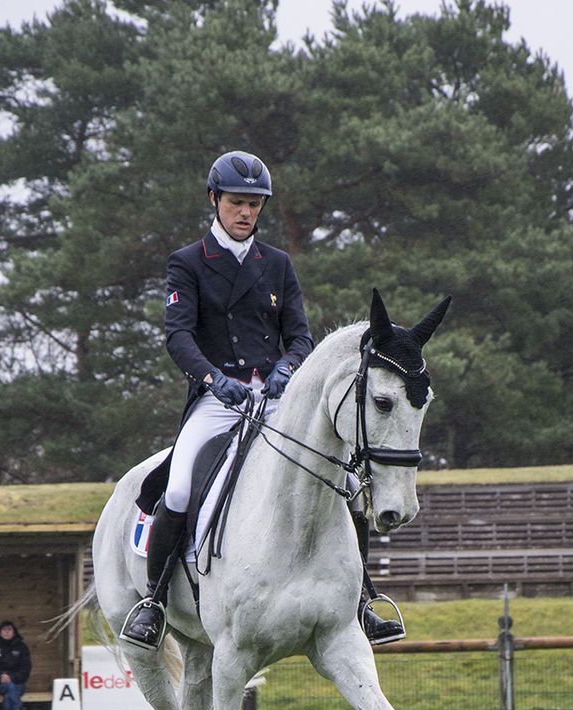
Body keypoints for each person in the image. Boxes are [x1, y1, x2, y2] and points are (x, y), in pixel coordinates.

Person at [122, 149, 404, 650]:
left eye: (254, 204)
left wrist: (286, 370)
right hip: (216, 399)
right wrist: (212, 380)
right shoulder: (187, 263)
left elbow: (300, 335)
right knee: (182, 485)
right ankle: (155, 600)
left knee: (339, 478)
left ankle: (364, 598)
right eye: (236, 202)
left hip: (275, 400)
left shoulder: (276, 264)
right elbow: (178, 336)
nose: (246, 212)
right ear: (215, 201)